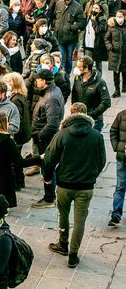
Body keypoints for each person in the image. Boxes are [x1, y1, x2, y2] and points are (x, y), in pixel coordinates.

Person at [44, 103, 106, 268]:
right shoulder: (96, 136)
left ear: (70, 115)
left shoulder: (62, 134)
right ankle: (73, 254)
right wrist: (91, 176)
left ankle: (63, 243)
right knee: (80, 221)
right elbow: (101, 162)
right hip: (85, 187)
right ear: (86, 114)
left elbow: (49, 158)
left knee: (63, 215)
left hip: (64, 185)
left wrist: (48, 177)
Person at [0, 113, 41, 208]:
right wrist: (38, 159)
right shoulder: (7, 141)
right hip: (4, 178)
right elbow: (20, 163)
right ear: (2, 125)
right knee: (1, 206)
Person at [30, 69, 65, 209]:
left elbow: (52, 124)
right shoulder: (52, 91)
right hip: (43, 137)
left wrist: (38, 136)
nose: (35, 82)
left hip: (46, 139)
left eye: (37, 80)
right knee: (47, 166)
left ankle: (49, 197)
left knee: (47, 167)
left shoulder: (50, 97)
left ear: (43, 81)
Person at [71, 55, 111, 130]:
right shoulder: (77, 78)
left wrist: (91, 114)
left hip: (94, 121)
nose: (77, 69)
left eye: (79, 67)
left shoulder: (100, 83)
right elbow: (74, 95)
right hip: (78, 118)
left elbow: (106, 102)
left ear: (86, 69)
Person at [110, 108, 126, 226]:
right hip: (122, 158)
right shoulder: (121, 115)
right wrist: (117, 147)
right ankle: (116, 215)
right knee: (120, 186)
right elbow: (113, 131)